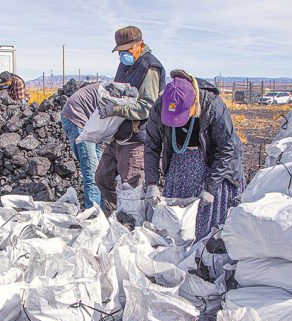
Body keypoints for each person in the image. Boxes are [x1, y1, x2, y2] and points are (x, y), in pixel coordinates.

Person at [144, 70, 245, 240]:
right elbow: (152, 145)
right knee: (177, 227)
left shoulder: (212, 106)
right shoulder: (162, 104)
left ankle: (202, 260)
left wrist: (211, 188)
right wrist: (152, 183)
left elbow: (226, 148)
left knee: (206, 227)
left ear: (194, 104)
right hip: (180, 167)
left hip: (214, 167)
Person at [95, 25, 165, 212]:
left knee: (132, 186)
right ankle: (121, 215)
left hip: (135, 138)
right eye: (119, 51)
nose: (121, 55)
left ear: (139, 45)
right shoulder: (125, 64)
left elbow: (147, 107)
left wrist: (115, 109)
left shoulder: (149, 68)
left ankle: (135, 226)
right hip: (118, 134)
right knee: (102, 178)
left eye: (126, 50)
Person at [60, 83, 103, 208]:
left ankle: (101, 210)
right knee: (91, 169)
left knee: (99, 170)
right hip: (76, 119)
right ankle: (94, 214)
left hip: (88, 122)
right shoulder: (118, 97)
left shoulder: (118, 92)